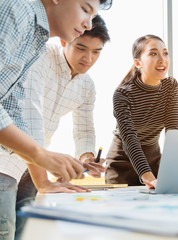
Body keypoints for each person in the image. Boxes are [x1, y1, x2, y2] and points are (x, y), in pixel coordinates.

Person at [0, 1, 112, 240]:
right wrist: (41, 163)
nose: (87, 23)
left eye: (96, 51)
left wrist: (85, 158)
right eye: (85, 8)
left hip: (29, 155)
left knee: (21, 231)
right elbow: (30, 115)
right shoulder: (19, 12)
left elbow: (12, 106)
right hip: (12, 157)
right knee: (5, 228)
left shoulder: (36, 39)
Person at [105, 34, 178, 189]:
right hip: (122, 164)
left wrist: (173, 169)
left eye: (165, 53)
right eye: (153, 53)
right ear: (138, 62)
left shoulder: (170, 86)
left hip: (153, 159)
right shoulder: (122, 94)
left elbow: (172, 129)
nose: (162, 59)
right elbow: (130, 139)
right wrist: (148, 176)